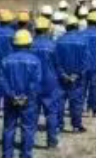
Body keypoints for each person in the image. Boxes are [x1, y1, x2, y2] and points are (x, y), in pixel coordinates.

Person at [1, 29, 42, 158]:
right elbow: (35, 81)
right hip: (28, 101)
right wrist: (26, 96)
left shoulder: (6, 60)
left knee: (9, 128)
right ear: (29, 44)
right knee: (28, 128)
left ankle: (7, 155)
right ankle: (26, 155)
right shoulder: (35, 61)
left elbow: (2, 80)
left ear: (14, 44)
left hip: (10, 100)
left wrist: (12, 95)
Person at [30, 18, 61, 149]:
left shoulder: (30, 45)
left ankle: (29, 142)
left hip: (34, 83)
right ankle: (51, 141)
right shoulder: (53, 45)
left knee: (33, 114)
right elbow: (58, 64)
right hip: (50, 82)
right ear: (47, 30)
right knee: (51, 113)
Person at [55, 16, 89, 134]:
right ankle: (76, 126)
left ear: (67, 27)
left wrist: (63, 74)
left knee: (60, 101)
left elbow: (56, 61)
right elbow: (85, 60)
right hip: (77, 78)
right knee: (77, 101)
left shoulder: (59, 41)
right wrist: (77, 74)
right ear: (76, 26)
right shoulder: (83, 41)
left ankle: (58, 125)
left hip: (62, 78)